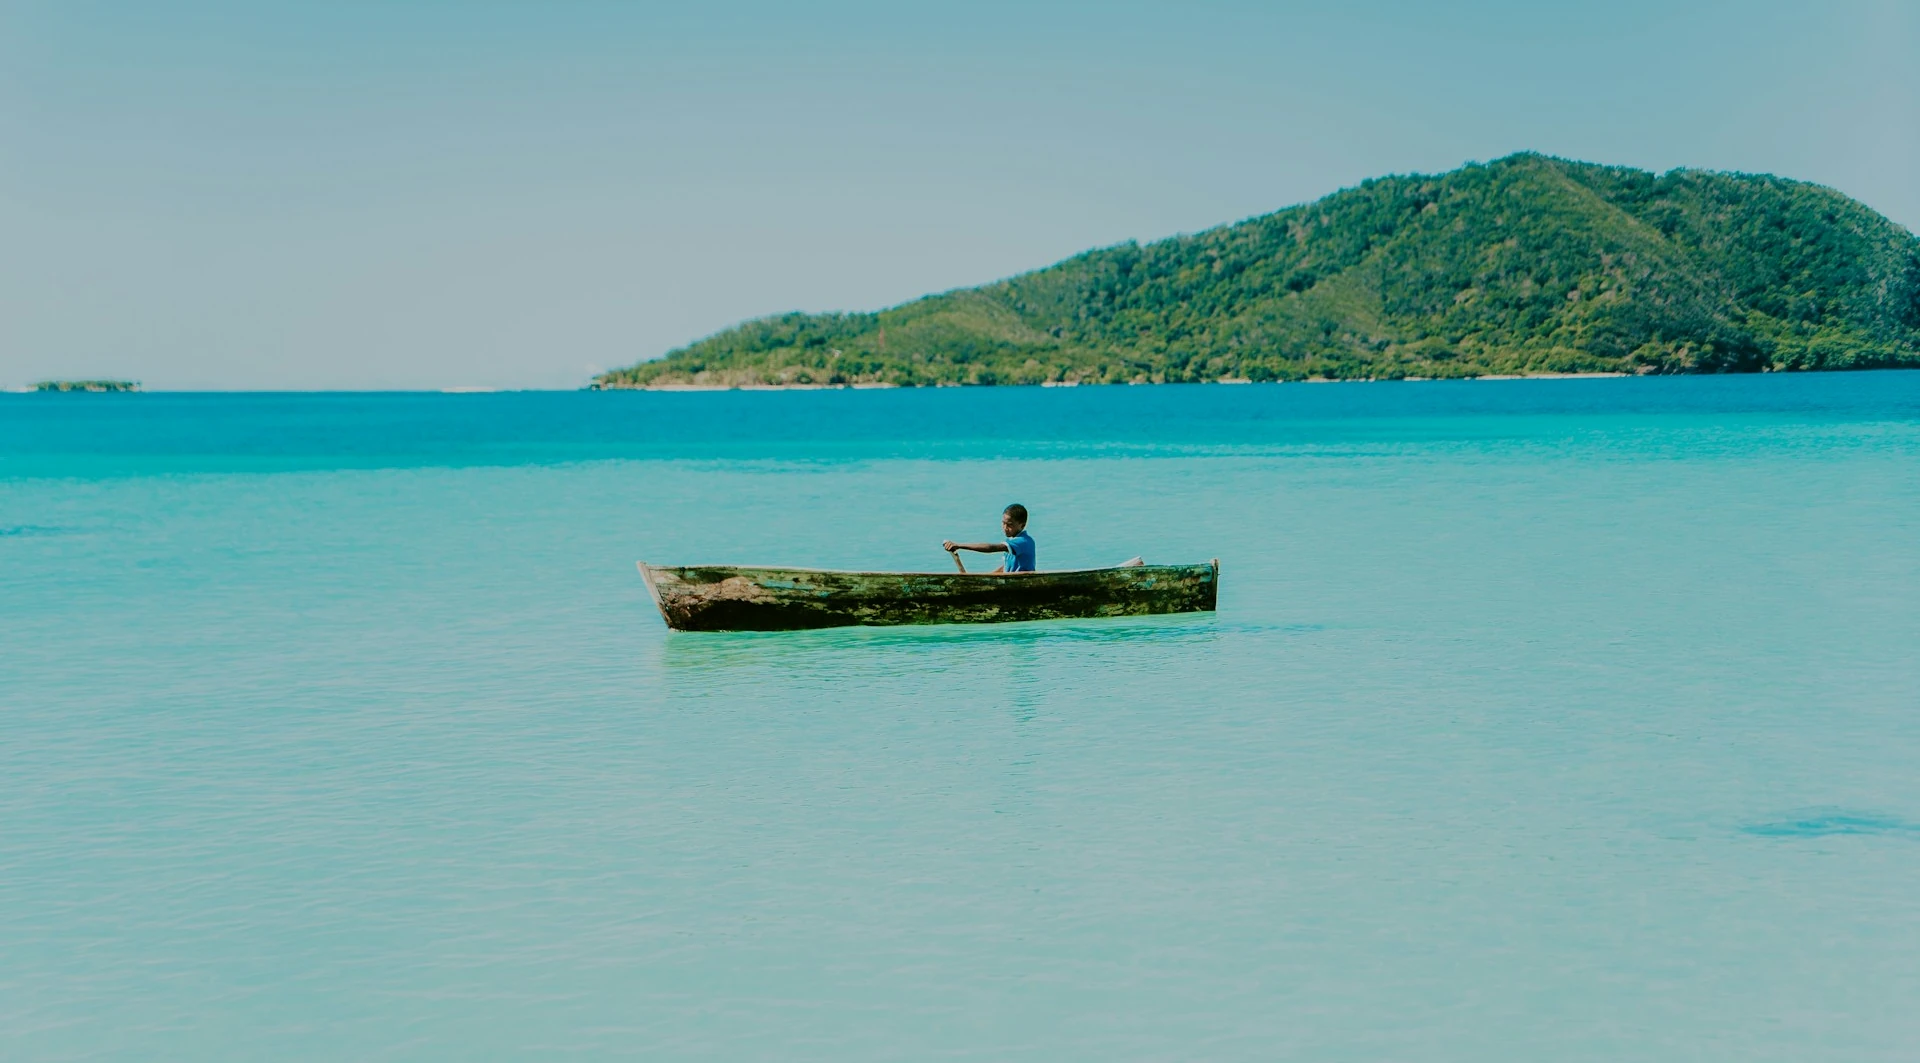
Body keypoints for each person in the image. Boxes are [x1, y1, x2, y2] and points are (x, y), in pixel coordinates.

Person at [943, 504, 1036, 573]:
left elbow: (991, 548)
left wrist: (959, 545)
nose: (1005, 527)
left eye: (1010, 525)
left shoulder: (1023, 541)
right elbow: (1007, 567)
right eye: (1003, 523)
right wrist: (989, 577)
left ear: (1022, 525)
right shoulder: (1011, 541)